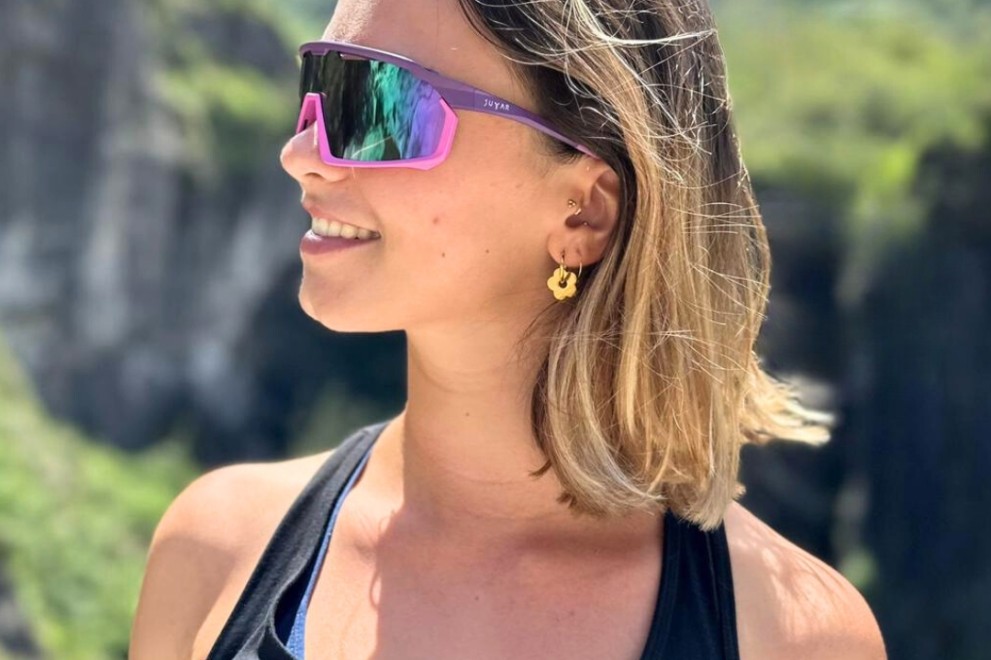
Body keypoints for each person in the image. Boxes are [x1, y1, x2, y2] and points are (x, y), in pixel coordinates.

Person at [130, 0, 888, 658]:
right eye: (319, 89)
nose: (301, 156)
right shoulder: (217, 549)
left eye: (378, 102)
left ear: (585, 211)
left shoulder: (797, 638)